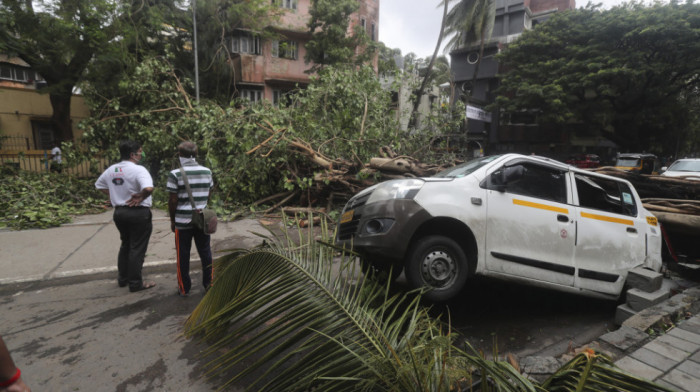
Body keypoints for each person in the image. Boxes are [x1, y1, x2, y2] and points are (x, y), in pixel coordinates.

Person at [95, 140, 156, 292]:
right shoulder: (139, 170)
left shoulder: (112, 169)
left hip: (120, 213)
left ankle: (123, 279)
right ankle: (136, 283)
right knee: (137, 247)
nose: (141, 154)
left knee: (126, 244)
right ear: (132, 154)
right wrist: (140, 196)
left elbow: (99, 185)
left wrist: (115, 195)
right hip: (138, 212)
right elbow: (148, 188)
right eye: (140, 152)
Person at [167, 141, 214, 297]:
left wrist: (173, 221)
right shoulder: (207, 172)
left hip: (183, 221)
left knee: (183, 255)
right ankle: (209, 284)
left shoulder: (175, 174)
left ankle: (184, 287)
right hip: (202, 220)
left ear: (180, 155)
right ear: (196, 154)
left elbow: (173, 200)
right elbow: (208, 193)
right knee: (206, 252)